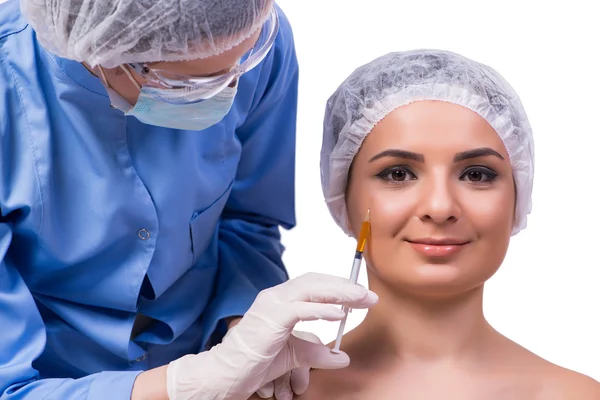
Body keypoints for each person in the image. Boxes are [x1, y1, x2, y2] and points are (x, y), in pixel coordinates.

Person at [0, 0, 380, 399]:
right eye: (194, 85)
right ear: (104, 57)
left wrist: (244, 328)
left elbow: (248, 219)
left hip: (202, 341)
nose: (231, 88)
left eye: (243, 64)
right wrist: (185, 386)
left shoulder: (243, 27)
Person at [252, 49, 600, 399]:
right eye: (398, 173)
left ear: (517, 196)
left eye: (476, 174)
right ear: (343, 195)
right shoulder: (276, 393)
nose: (440, 207)